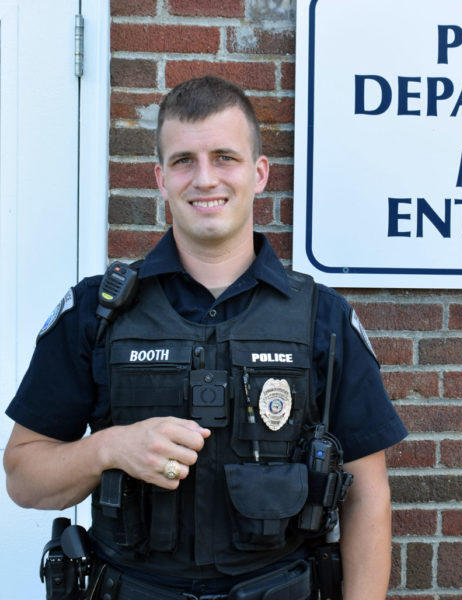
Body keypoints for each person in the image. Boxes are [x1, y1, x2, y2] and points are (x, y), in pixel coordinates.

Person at [4, 76, 407, 600]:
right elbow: (23, 477)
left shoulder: (321, 318)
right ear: (160, 178)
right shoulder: (94, 313)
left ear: (259, 173)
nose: (205, 179)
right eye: (183, 161)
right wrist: (109, 448)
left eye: (225, 157)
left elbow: (367, 496)